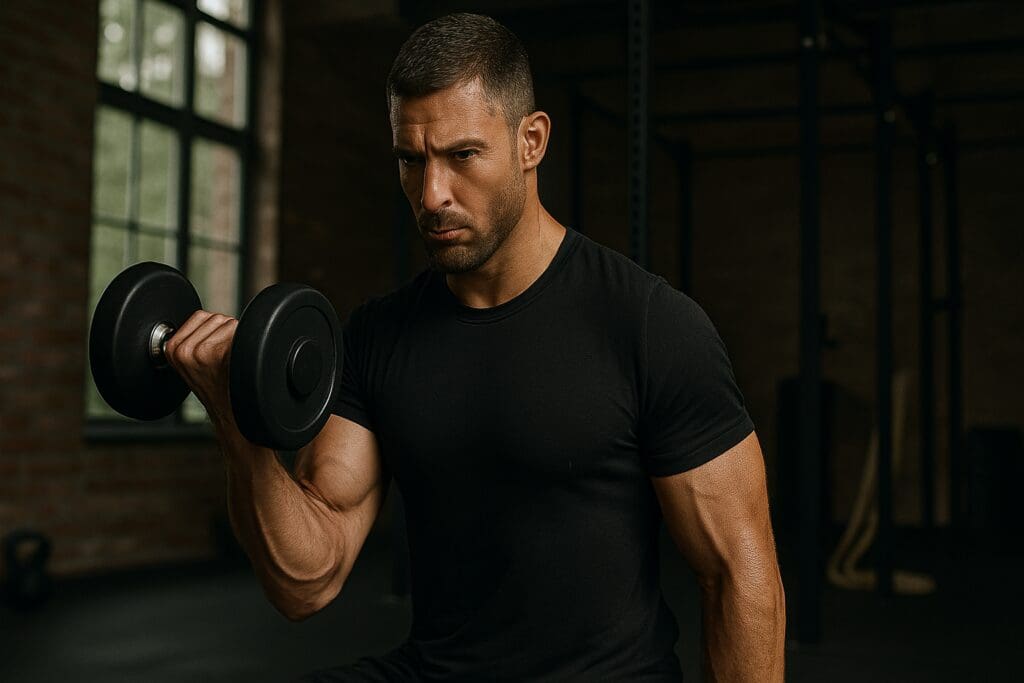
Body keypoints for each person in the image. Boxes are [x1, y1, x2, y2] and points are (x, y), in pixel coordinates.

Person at [165, 12, 785, 682]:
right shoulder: (379, 336)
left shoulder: (649, 325)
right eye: (411, 159)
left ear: (531, 141)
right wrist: (236, 421)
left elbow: (738, 575)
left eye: (461, 156)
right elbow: (307, 578)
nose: (432, 195)